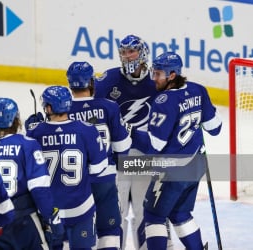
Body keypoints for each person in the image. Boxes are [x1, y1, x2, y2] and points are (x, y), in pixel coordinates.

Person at [132, 52, 222, 250]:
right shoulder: (199, 90)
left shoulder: (164, 101)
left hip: (172, 170)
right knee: (179, 214)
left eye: (158, 74)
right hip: (195, 166)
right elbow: (215, 128)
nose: (154, 78)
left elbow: (154, 146)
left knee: (154, 216)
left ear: (172, 75)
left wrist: (130, 133)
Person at [94, 34, 166, 249]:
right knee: (117, 213)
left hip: (146, 157)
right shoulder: (108, 80)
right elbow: (89, 108)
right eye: (123, 52)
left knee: (146, 211)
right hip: (118, 157)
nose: (127, 56)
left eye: (131, 51)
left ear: (142, 52)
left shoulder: (156, 80)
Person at [26, 86, 108, 250]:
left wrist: (30, 129)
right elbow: (99, 168)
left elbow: (30, 174)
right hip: (81, 207)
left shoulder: (35, 132)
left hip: (50, 211)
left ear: (48, 108)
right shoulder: (87, 129)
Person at [0, 97, 64, 250]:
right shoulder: (27, 144)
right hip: (24, 220)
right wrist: (51, 217)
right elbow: (39, 188)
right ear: (17, 120)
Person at [66, 61, 132, 249]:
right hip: (105, 179)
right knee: (109, 230)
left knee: (75, 233)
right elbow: (122, 148)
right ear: (92, 82)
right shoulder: (109, 107)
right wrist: (125, 132)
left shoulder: (61, 110)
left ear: (70, 84)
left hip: (74, 183)